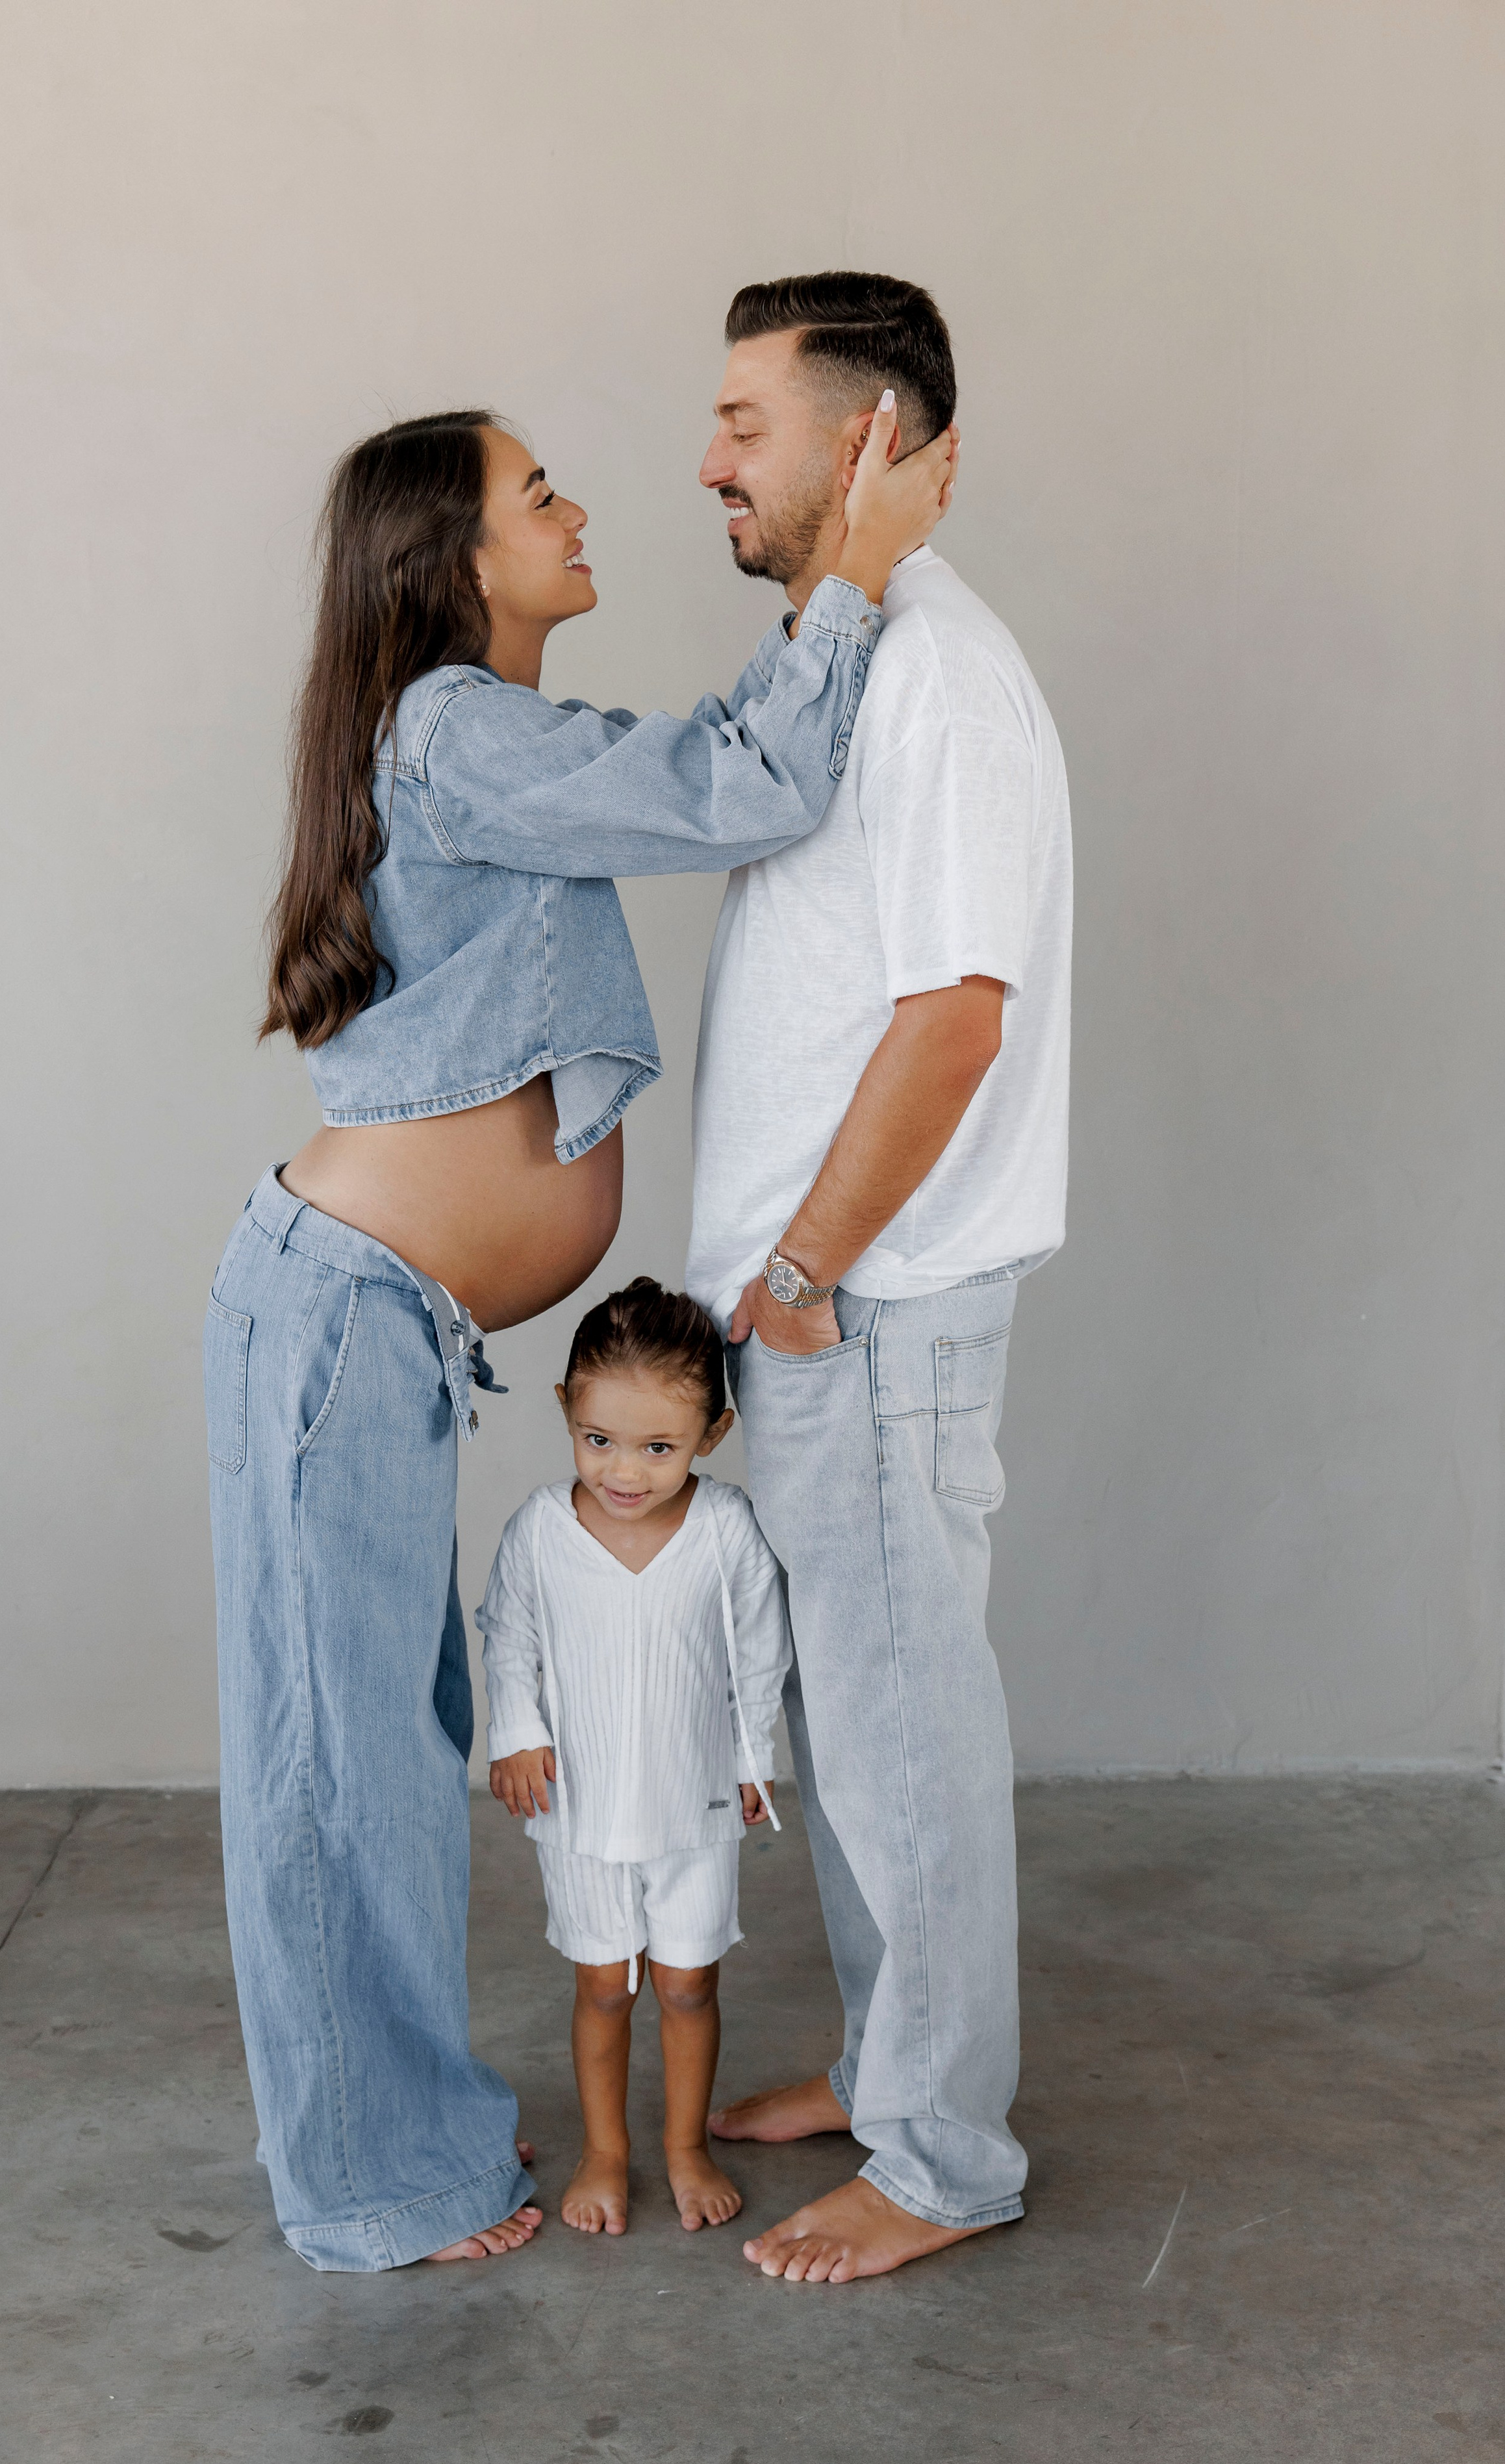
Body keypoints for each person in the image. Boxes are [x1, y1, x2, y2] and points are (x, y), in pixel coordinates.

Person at [203, 400, 954, 2270]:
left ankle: (400, 2137)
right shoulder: (455, 727)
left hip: (368, 1334)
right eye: (538, 494)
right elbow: (735, 784)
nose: (581, 506)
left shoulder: (475, 739)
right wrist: (851, 576)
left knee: (383, 1746)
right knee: (337, 1772)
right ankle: (371, 2184)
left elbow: (700, 777)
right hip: (334, 1326)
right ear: (452, 564)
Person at [687, 272, 1073, 2285]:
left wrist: (811, 1269)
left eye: (746, 422)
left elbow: (952, 1021)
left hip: (874, 1300)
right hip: (829, 1307)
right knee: (860, 1712)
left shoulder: (939, 677)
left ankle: (942, 2153)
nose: (708, 459)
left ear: (868, 439)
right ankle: (887, 2056)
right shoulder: (864, 657)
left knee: (908, 1720)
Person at [479, 1278, 792, 2239]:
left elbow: (759, 1648)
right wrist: (517, 1734)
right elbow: (508, 1639)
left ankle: (685, 2144)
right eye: (600, 1440)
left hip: (691, 1804)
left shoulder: (726, 1529)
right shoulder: (540, 1533)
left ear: (713, 1432)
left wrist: (753, 1757)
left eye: (659, 1447)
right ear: (567, 1411)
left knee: (689, 1983)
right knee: (603, 1985)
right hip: (580, 1809)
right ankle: (606, 2151)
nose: (625, 1470)